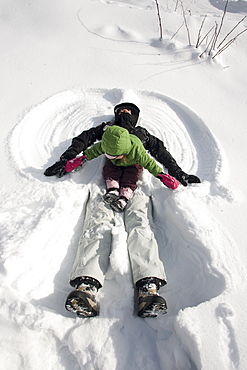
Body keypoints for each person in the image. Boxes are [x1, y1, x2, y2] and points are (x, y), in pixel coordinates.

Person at [44, 102, 201, 188]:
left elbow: (160, 151)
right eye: (121, 111)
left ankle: (126, 196)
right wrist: (67, 159)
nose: (124, 112)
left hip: (134, 164)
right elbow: (85, 138)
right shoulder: (108, 129)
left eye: (129, 111)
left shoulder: (141, 133)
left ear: (134, 117)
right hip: (111, 160)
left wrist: (176, 171)